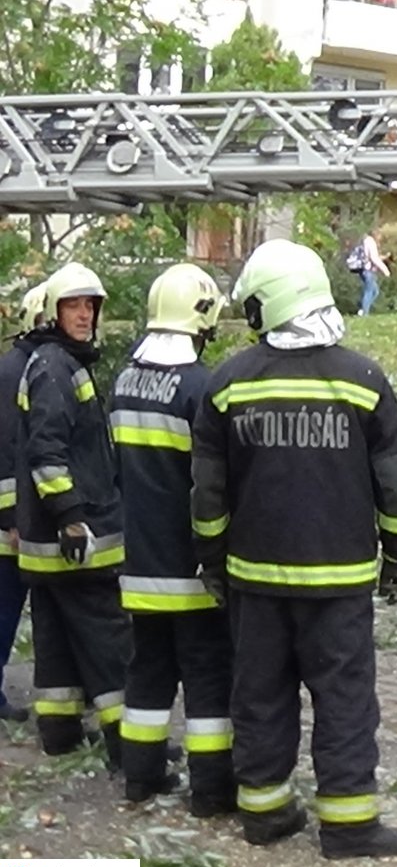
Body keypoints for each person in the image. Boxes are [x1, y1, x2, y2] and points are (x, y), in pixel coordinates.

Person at [192, 239, 397, 858]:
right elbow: (394, 488)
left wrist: (212, 563)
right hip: (338, 583)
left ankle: (264, 813)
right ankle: (349, 825)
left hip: (254, 582)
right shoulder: (365, 382)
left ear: (271, 303)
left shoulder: (227, 383)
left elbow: (208, 496)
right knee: (344, 699)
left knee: (259, 694)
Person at [112, 263, 235, 812]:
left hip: (135, 564)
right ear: (201, 316)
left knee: (148, 672)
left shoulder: (121, 380)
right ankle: (210, 790)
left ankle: (140, 776)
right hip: (189, 569)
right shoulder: (200, 388)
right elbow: (212, 484)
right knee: (207, 677)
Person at [14, 263, 130, 764]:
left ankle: (60, 734)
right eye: (73, 306)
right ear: (53, 312)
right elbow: (47, 453)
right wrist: (72, 518)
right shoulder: (58, 368)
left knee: (56, 639)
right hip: (74, 541)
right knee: (109, 639)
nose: (84, 315)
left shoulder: (52, 362)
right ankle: (133, 747)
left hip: (46, 546)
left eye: (90, 306)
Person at [0, 281, 48, 724]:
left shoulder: (20, 365)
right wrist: (13, 518)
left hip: (21, 517)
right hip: (12, 523)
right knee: (5, 604)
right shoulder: (19, 371)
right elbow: (9, 449)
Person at [344, 229, 389, 316]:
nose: (380, 238)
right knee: (369, 291)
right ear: (376, 235)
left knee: (375, 291)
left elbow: (370, 256)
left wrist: (384, 257)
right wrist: (385, 270)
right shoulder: (370, 242)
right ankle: (365, 313)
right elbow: (374, 258)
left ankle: (363, 310)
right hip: (368, 270)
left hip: (365, 269)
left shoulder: (365, 241)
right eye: (380, 236)